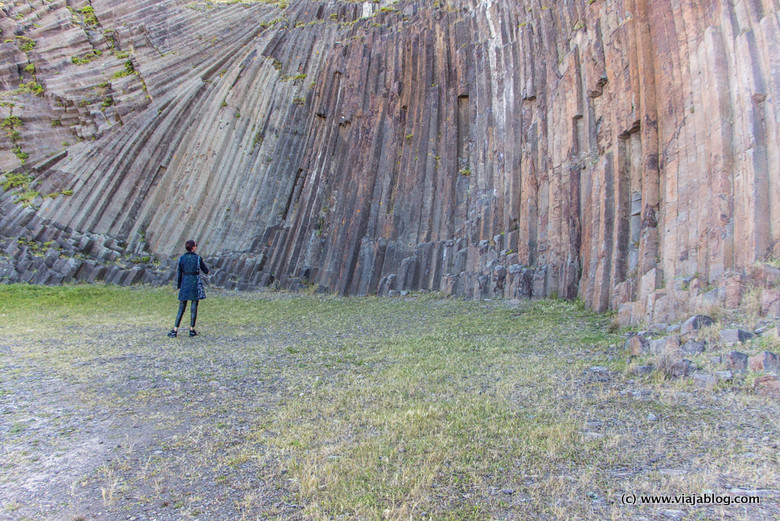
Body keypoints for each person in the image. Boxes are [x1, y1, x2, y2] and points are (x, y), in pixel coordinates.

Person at [167, 239, 209, 338]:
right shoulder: (198, 258)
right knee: (194, 307)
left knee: (181, 307)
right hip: (194, 282)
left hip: (185, 282)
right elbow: (206, 271)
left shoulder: (182, 258)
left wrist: (179, 285)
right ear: (193, 247)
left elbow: (179, 273)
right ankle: (191, 329)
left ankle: (175, 329)